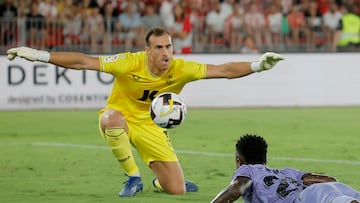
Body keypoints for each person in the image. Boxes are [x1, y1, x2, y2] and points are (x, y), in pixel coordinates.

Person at [6, 26, 284, 198]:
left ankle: (159, 182)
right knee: (110, 118)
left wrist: (258, 65)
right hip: (122, 117)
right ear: (148, 50)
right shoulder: (128, 63)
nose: (166, 52)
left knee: (178, 190)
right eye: (160, 47)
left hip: (152, 126)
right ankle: (133, 177)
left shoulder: (181, 68)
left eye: (169, 46)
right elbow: (82, 61)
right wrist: (39, 55)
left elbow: (223, 71)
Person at [210, 134, 360, 203]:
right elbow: (330, 180)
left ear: (239, 161)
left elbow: (236, 190)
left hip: (305, 199)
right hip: (333, 189)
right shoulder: (287, 172)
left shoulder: (247, 170)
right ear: (265, 158)